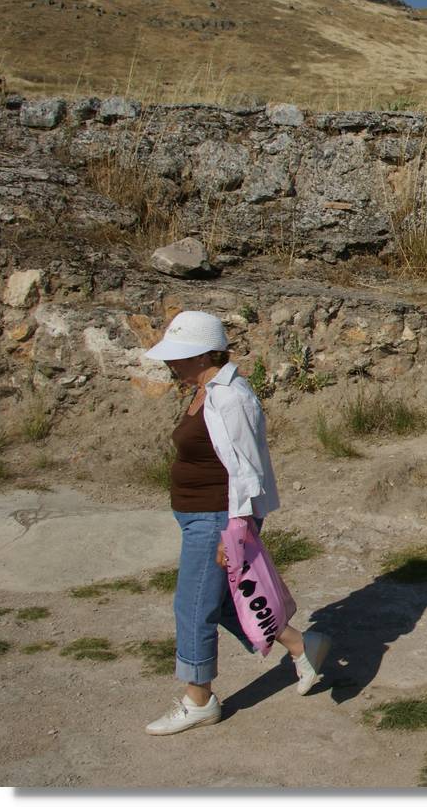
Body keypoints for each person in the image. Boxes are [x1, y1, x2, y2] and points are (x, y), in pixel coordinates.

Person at [142, 310, 331, 735]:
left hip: (216, 519)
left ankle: (199, 700)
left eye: (180, 355)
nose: (171, 364)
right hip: (198, 516)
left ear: (207, 353)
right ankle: (303, 646)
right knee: (227, 602)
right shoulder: (204, 390)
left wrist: (236, 530)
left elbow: (247, 471)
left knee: (193, 608)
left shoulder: (231, 397)